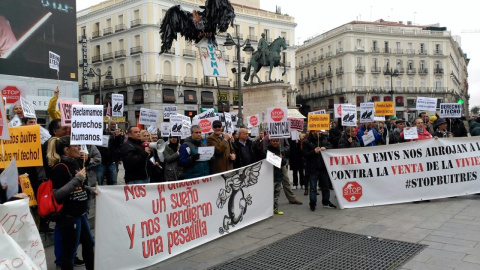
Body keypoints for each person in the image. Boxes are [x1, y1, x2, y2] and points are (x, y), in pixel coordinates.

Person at [47, 136, 96, 270]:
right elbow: (57, 194)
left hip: (80, 213)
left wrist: (89, 189)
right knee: (70, 251)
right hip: (69, 216)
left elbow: (79, 185)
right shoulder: (60, 168)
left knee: (89, 243)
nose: (79, 148)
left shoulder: (75, 163)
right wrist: (77, 179)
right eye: (76, 146)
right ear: (67, 150)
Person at [303, 130, 336, 211]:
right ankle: (313, 204)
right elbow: (305, 154)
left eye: (319, 131)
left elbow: (331, 146)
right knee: (313, 187)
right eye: (316, 131)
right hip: (312, 168)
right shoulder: (307, 141)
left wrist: (326, 148)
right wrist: (313, 151)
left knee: (325, 186)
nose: (318, 133)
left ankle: (326, 202)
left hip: (323, 167)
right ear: (312, 132)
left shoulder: (324, 139)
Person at [96, 120, 123, 185]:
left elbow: (117, 145)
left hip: (111, 162)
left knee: (113, 182)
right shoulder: (100, 135)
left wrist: (118, 137)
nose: (113, 126)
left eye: (114, 124)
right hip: (101, 163)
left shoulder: (113, 134)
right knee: (99, 182)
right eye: (112, 124)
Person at [267, 138, 287, 215]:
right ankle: (269, 210)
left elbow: (283, 162)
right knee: (270, 194)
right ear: (270, 141)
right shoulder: (267, 150)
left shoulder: (280, 150)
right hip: (271, 176)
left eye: (276, 141)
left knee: (277, 194)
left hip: (278, 175)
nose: (275, 142)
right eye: (273, 141)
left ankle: (275, 208)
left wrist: (281, 159)